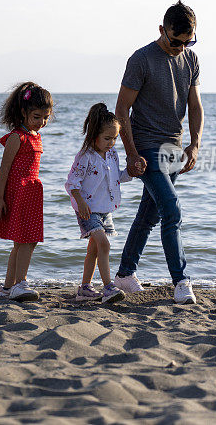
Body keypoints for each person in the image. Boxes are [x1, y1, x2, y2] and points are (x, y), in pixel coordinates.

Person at [113, 0, 205, 305]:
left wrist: (195, 143)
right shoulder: (141, 60)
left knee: (149, 215)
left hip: (173, 150)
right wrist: (131, 153)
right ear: (162, 30)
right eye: (175, 41)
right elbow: (121, 109)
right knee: (171, 209)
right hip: (147, 147)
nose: (181, 47)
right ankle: (181, 281)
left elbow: (195, 105)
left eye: (187, 41)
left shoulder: (190, 60)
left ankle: (125, 275)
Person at [0, 82, 53, 302]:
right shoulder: (16, 137)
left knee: (24, 241)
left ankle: (8, 287)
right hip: (17, 192)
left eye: (45, 117)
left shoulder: (35, 135)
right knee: (26, 240)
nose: (42, 122)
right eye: (37, 116)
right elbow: (4, 170)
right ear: (23, 112)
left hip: (31, 192)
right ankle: (21, 282)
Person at [65, 103, 131, 304]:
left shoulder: (112, 154)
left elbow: (117, 178)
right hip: (88, 210)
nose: (112, 143)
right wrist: (80, 202)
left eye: (115, 139)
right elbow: (71, 183)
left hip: (105, 210)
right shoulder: (85, 156)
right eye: (107, 138)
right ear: (94, 134)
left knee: (94, 250)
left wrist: (132, 171)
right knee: (104, 244)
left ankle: (84, 288)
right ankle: (109, 287)